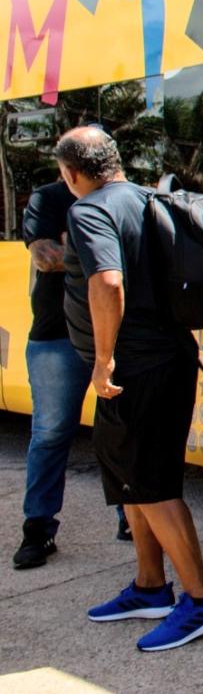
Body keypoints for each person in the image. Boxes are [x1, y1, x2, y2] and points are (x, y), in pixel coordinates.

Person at [56, 126, 203, 651]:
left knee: (151, 482)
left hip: (136, 366)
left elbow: (108, 282)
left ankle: (201, 601)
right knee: (130, 477)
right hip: (169, 355)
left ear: (73, 173)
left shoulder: (89, 210)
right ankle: (150, 584)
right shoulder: (146, 198)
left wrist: (103, 362)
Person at [12, 176, 96, 568]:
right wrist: (105, 254)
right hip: (56, 334)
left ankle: (130, 520)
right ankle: (38, 529)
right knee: (50, 433)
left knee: (123, 430)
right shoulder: (49, 197)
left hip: (120, 331)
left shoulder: (121, 195)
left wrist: (72, 250)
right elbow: (45, 257)